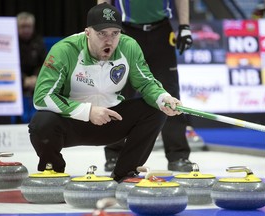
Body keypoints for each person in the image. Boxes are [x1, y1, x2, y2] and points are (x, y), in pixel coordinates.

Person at [28, 3, 184, 182]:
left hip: (111, 119)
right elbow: (42, 97)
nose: (109, 41)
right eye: (101, 33)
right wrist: (88, 111)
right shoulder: (64, 50)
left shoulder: (129, 47)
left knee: (156, 109)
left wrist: (164, 98)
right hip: (71, 122)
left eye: (115, 33)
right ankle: (53, 172)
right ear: (88, 32)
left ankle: (125, 173)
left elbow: (147, 83)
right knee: (41, 123)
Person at [98, 0, 196, 172]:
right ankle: (114, 153)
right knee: (118, 91)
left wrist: (185, 26)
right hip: (125, 31)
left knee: (170, 92)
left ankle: (178, 155)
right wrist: (102, 29)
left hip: (161, 31)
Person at [14, 12, 47, 123]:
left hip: (36, 79)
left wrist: (36, 77)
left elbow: (44, 64)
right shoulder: (12, 42)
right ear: (17, 27)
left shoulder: (38, 41)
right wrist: (24, 80)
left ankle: (39, 121)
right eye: (23, 27)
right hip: (17, 79)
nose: (26, 30)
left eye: (29, 27)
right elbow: (12, 66)